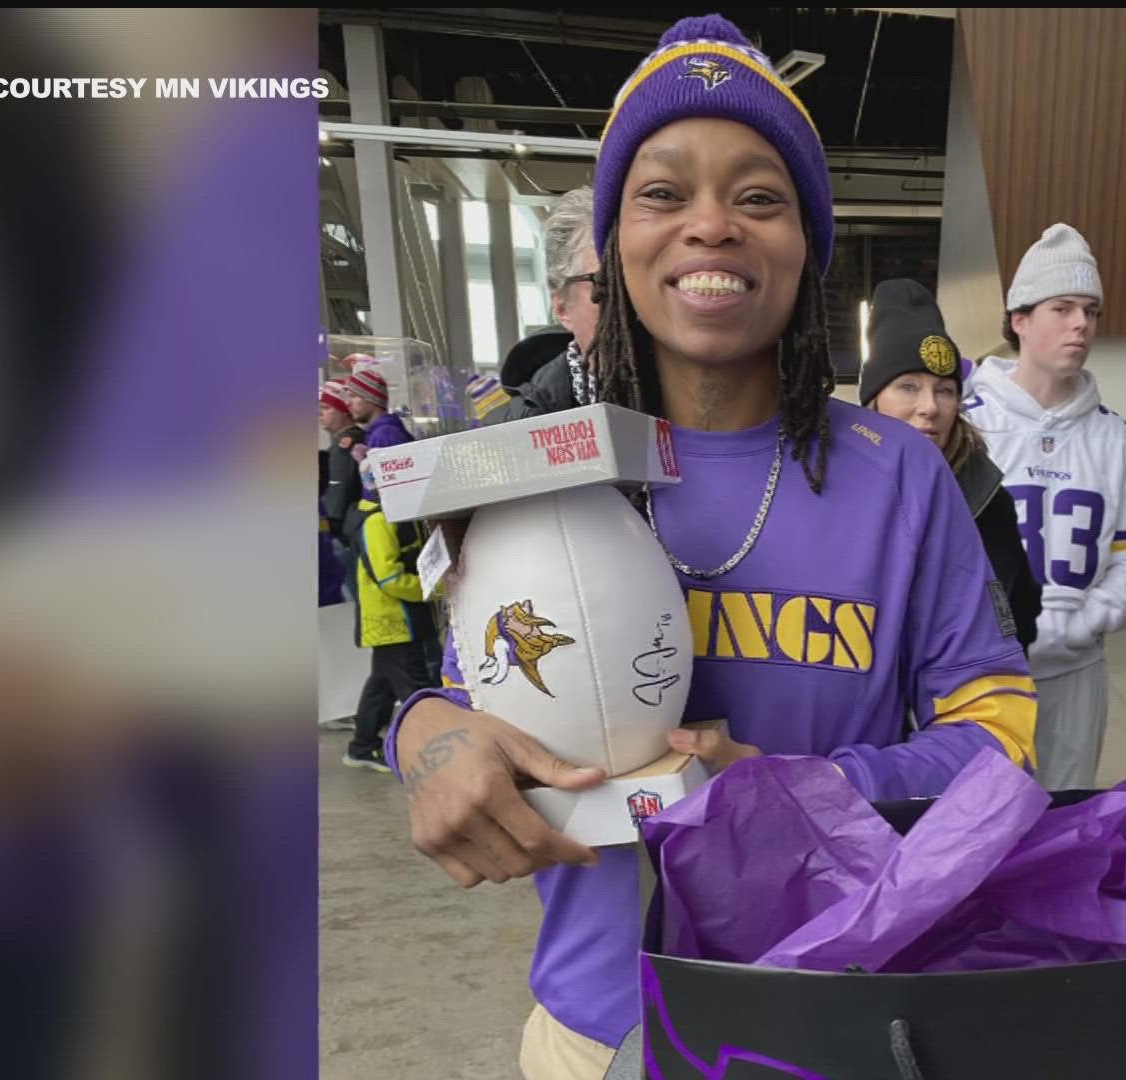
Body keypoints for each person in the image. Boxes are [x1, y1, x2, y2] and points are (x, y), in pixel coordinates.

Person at [382, 16, 1037, 1078]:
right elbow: (477, 698)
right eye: (662, 192)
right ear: (614, 239)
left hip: (833, 1024)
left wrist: (794, 791)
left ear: (809, 242)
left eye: (759, 196)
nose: (711, 226)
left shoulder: (900, 476)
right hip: (595, 1037)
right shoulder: (534, 470)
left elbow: (1001, 739)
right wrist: (424, 734)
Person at [965, 223, 1126, 791]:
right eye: (1063, 307)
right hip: (983, 673)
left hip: (1076, 670)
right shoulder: (968, 423)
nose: (1081, 324)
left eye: (1091, 311)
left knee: (1065, 819)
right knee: (971, 824)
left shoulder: (1115, 437)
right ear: (1019, 318)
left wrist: (1085, 622)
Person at [860, 277, 1039, 655]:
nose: (929, 407)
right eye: (908, 386)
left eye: (945, 390)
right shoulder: (829, 489)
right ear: (874, 398)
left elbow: (1019, 621)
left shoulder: (986, 500)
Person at [344, 458, 439, 772]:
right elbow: (389, 577)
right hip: (394, 620)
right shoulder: (377, 521)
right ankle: (434, 749)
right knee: (413, 686)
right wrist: (430, 589)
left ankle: (362, 746)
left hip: (395, 619)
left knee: (381, 686)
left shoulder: (391, 515)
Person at [487, 186, 603, 423]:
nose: (633, 300)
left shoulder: (694, 412)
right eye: (606, 283)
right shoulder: (510, 433)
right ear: (562, 307)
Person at [320, 379, 367, 547]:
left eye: (327, 408)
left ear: (344, 411)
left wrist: (329, 529)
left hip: (343, 535)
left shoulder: (345, 446)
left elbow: (338, 494)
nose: (320, 414)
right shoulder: (351, 439)